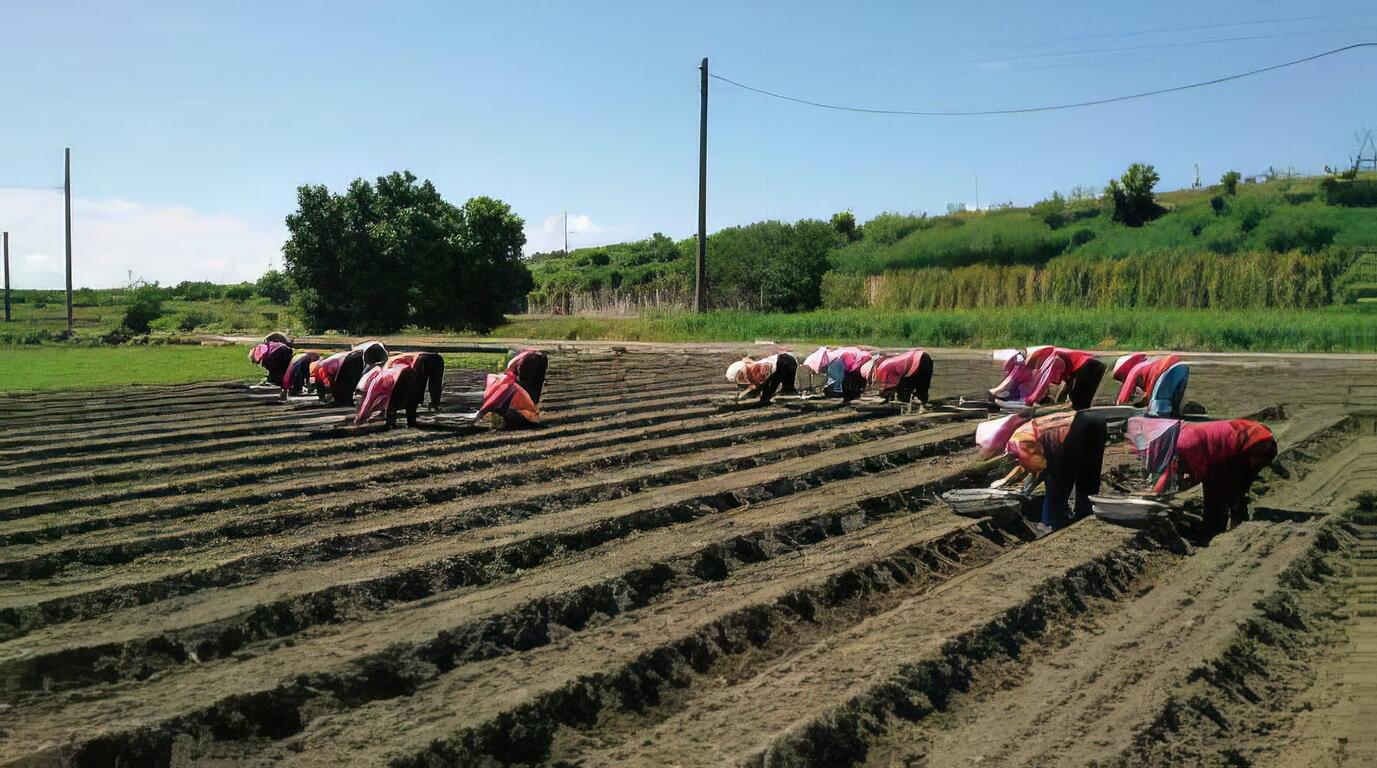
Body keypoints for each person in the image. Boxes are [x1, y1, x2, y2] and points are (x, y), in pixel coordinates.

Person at [1162, 419, 1277, 542]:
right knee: (1222, 486)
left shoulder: (1186, 445)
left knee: (1217, 491)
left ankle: (1216, 533)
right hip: (1251, 438)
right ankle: (1229, 521)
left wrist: (1186, 483)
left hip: (1256, 444)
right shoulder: (1180, 441)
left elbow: (1202, 475)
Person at [1006, 408, 1113, 530]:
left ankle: (1051, 524)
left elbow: (1041, 467)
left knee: (1056, 489)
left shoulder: (1018, 442)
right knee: (1088, 474)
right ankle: (1083, 515)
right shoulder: (1024, 433)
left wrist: (1035, 482)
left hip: (1074, 430)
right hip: (1095, 420)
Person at [1022, 346, 1106, 410]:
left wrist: (1031, 400)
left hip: (1089, 365)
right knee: (1083, 403)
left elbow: (1044, 381)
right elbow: (1068, 383)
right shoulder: (1055, 355)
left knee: (1078, 402)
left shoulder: (1053, 358)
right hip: (1097, 365)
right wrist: (1060, 399)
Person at [354, 364, 422, 428]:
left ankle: (391, 424)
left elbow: (369, 400)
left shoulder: (377, 381)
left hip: (401, 376)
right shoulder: (385, 372)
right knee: (411, 401)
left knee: (392, 404)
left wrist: (361, 417)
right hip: (410, 373)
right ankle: (411, 422)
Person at [726, 352, 799, 405]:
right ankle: (786, 391)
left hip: (786, 361)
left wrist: (767, 395)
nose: (743, 378)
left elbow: (771, 380)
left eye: (741, 376)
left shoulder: (760, 368)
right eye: (740, 379)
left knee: (784, 386)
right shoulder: (753, 371)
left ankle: (789, 391)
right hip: (781, 363)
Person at [866, 349, 934, 405]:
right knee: (906, 390)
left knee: (915, 391)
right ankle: (917, 402)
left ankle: (921, 403)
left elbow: (892, 386)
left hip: (921, 360)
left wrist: (886, 397)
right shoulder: (882, 367)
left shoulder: (884, 371)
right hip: (915, 360)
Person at [474, 371, 540, 428]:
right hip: (526, 413)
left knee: (499, 411)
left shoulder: (507, 387)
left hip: (526, 416)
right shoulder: (510, 384)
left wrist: (479, 416)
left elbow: (490, 405)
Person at [1112, 352, 1181, 407]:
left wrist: (1117, 406)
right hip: (1178, 364)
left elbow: (1122, 400)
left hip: (1166, 369)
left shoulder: (1134, 370)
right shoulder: (1148, 364)